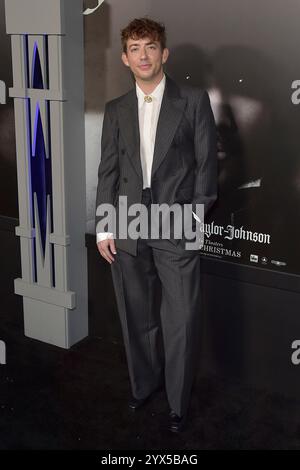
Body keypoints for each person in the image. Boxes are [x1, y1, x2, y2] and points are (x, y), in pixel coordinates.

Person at [95, 17, 217, 432]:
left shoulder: (194, 100)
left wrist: (195, 218)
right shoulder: (115, 109)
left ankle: (178, 404)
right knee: (136, 315)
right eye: (134, 48)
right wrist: (105, 225)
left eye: (149, 47)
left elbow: (206, 168)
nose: (142, 55)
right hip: (127, 222)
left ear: (164, 54)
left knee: (180, 319)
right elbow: (107, 172)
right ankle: (143, 385)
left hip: (176, 222)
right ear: (125, 59)